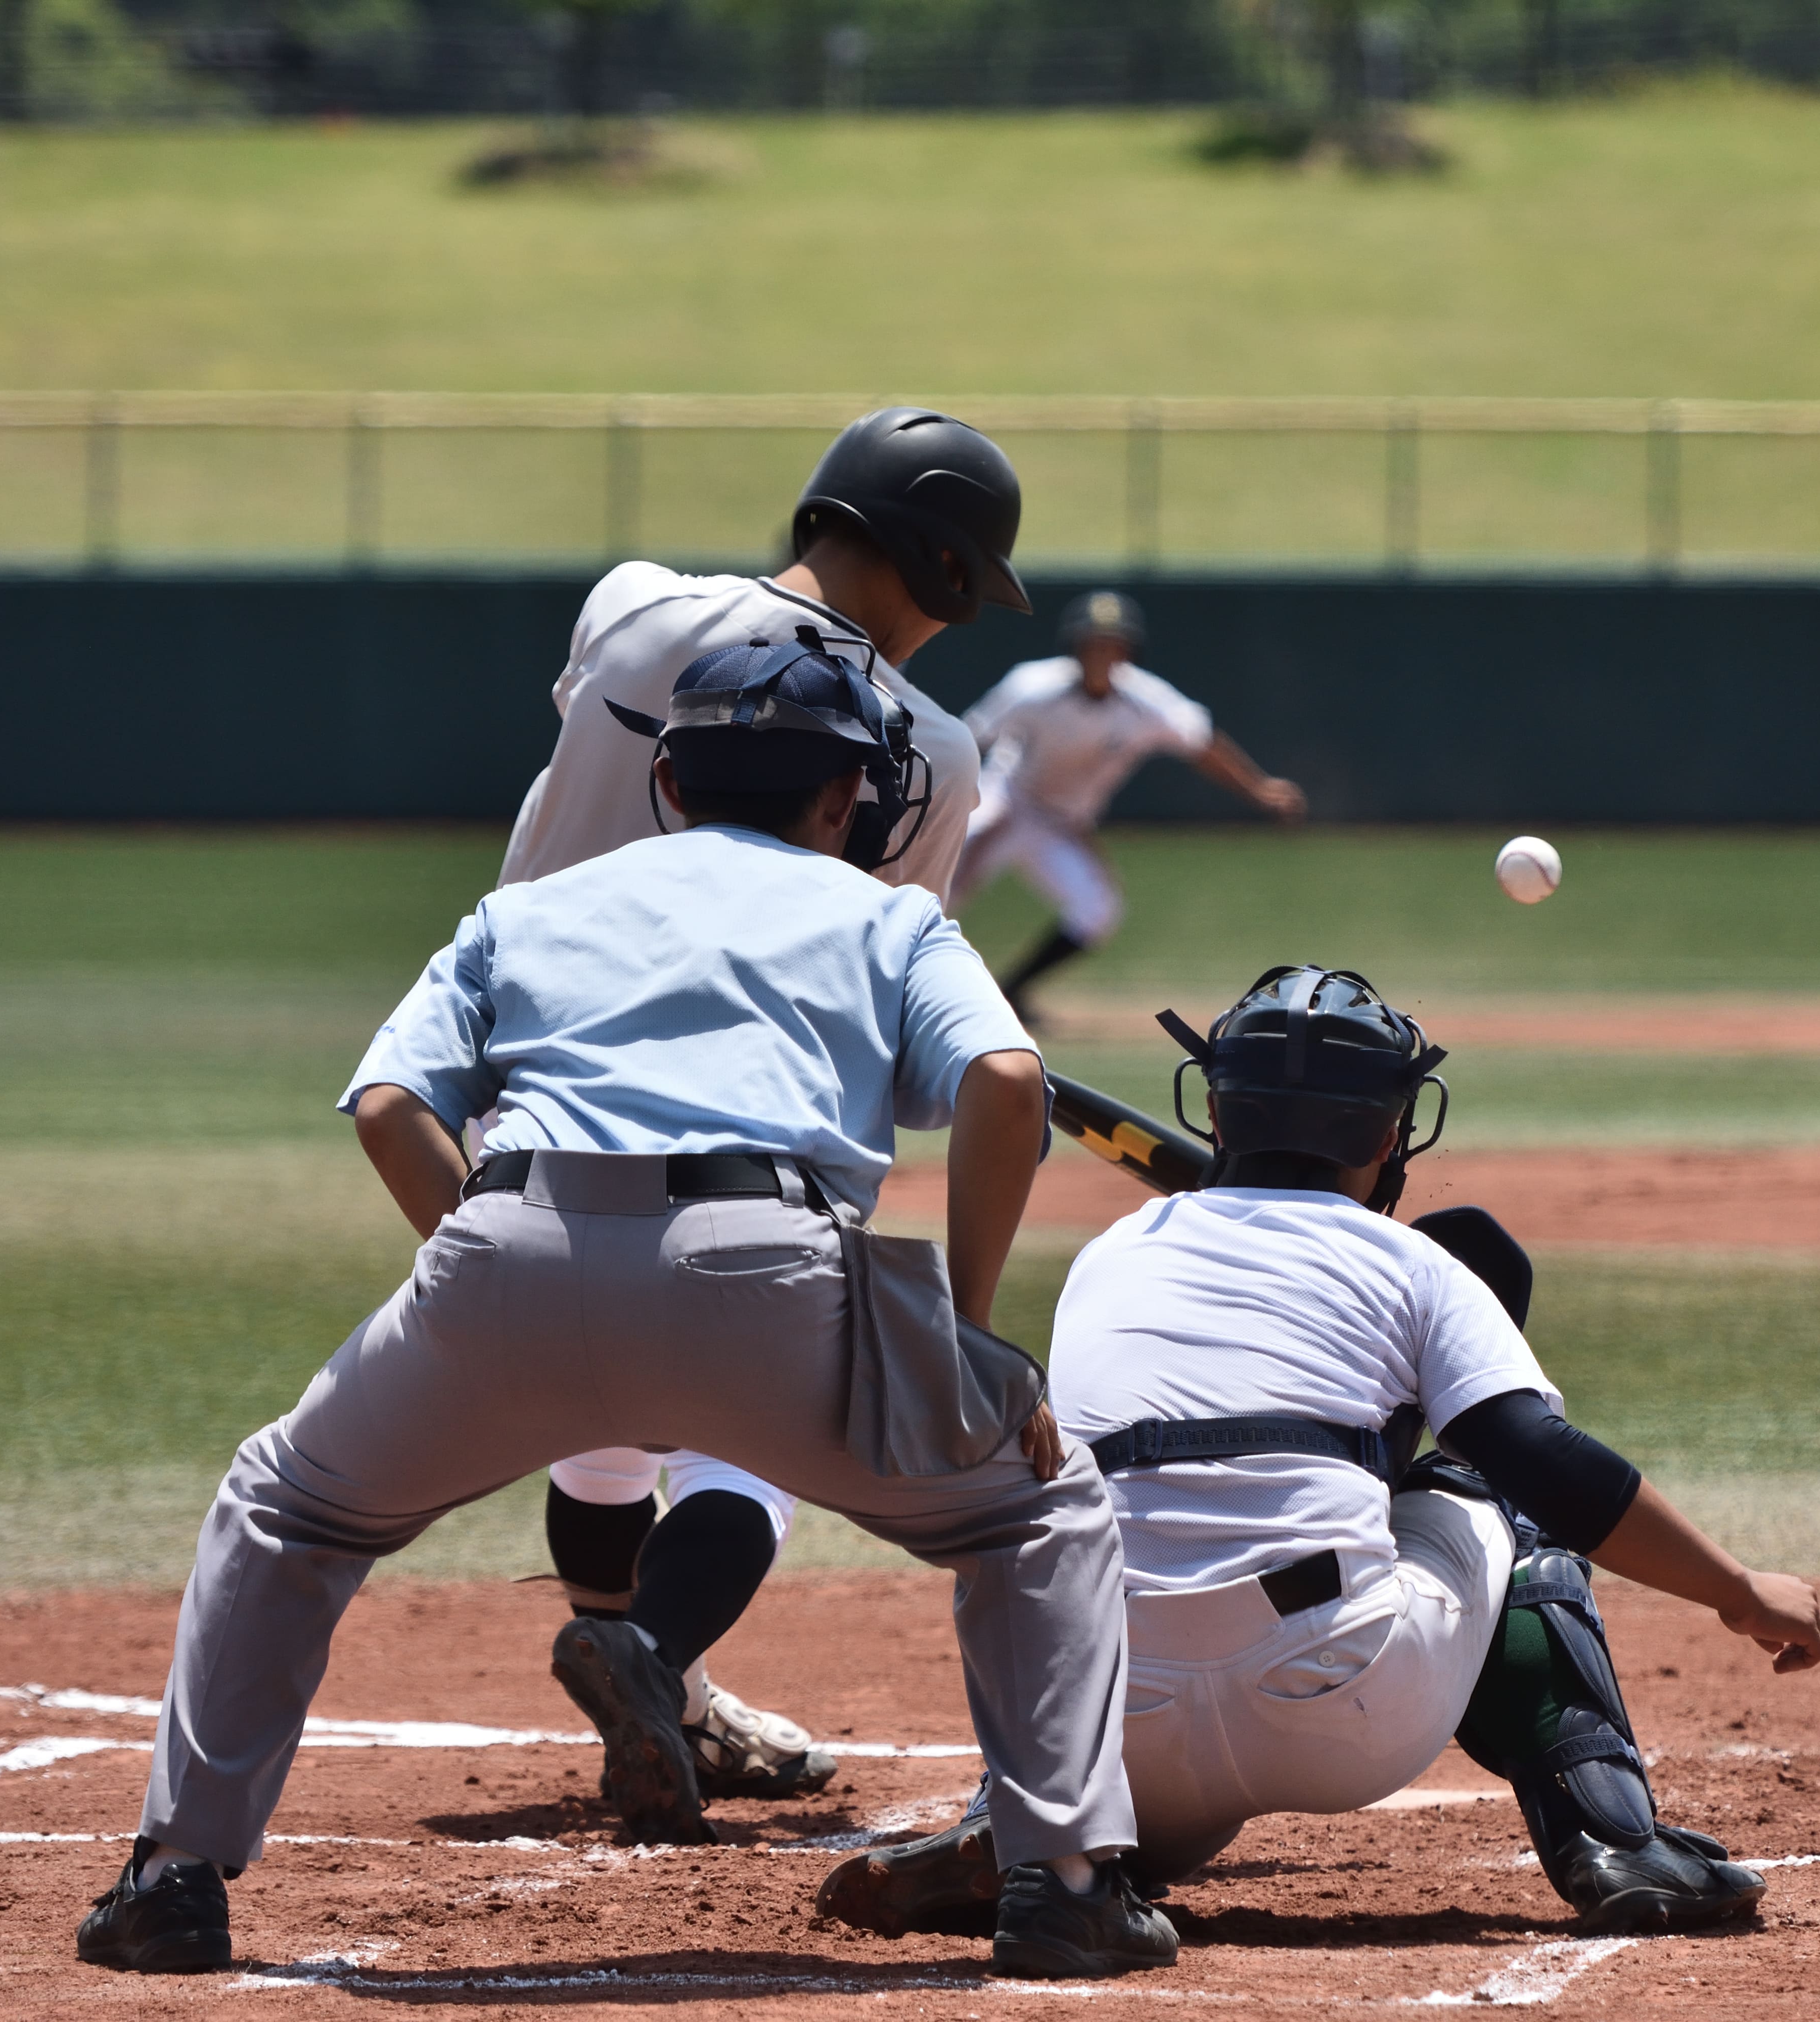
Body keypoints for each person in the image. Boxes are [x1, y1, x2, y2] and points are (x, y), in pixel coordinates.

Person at [74, 640, 1175, 1984]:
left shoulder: (528, 911)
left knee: (284, 1509)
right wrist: (973, 1335)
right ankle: (1065, 1887)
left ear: (666, 776)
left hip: (507, 1248)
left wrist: (494, 1275)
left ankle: (170, 1882)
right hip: (766, 1274)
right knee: (1035, 1517)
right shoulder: (887, 918)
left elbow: (388, 1107)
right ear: (849, 799)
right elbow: (1006, 1081)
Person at [811, 966, 1820, 1944]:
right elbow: (1547, 1461)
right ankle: (1615, 1840)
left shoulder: (1110, 1254)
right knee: (1494, 1491)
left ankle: (1040, 1833)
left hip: (1108, 1719)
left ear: (1215, 1114)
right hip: (1344, 1704)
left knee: (1103, 1551)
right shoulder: (1414, 1261)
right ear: (1393, 1130)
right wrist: (1738, 1587)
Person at [499, 409, 1026, 1810]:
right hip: (752, 1119)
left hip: (534, 1096)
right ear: (940, 563)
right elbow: (874, 960)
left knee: (600, 1425)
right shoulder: (926, 746)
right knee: (758, 1429)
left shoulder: (631, 609)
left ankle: (647, 1679)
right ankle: (658, 1662)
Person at [950, 590, 1307, 1027]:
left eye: (1113, 643)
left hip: (1062, 824)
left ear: (1128, 650)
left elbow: (1201, 741)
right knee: (937, 891)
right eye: (1093, 642)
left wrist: (1258, 788)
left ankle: (1009, 995)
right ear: (1076, 647)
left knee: (1097, 912)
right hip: (1006, 801)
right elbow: (969, 739)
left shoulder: (1146, 701)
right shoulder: (1031, 686)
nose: (1103, 652)